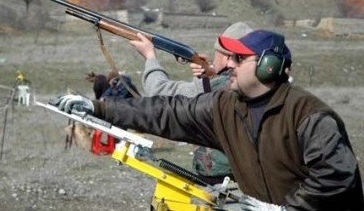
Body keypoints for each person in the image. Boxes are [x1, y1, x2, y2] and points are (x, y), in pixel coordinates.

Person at [51, 30, 364, 210]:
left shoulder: (309, 115)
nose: (229, 64)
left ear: (269, 66)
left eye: (239, 59)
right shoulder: (225, 106)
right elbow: (165, 111)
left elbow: (336, 179)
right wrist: (99, 108)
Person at [129, 21, 254, 184]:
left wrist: (150, 57)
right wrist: (212, 73)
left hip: (220, 175)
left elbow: (159, 92)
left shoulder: (217, 85)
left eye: (218, 52)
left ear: (228, 57)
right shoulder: (258, 81)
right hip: (250, 173)